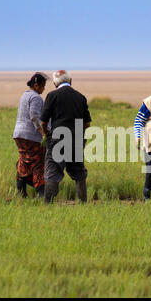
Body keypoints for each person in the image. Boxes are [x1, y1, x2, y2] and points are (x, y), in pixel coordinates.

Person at [40, 70, 92, 204]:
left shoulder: (52, 96)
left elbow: (43, 122)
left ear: (54, 83)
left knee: (52, 170)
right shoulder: (81, 97)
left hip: (58, 138)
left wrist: (47, 134)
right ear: (71, 81)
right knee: (79, 172)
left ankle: (48, 205)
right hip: (76, 140)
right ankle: (83, 203)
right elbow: (87, 123)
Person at [13, 72, 49, 198]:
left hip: (19, 135)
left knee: (24, 162)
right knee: (38, 163)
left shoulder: (25, 95)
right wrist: (43, 133)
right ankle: (41, 195)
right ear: (36, 85)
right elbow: (34, 116)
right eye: (43, 86)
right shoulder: (36, 98)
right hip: (31, 136)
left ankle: (21, 194)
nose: (44, 89)